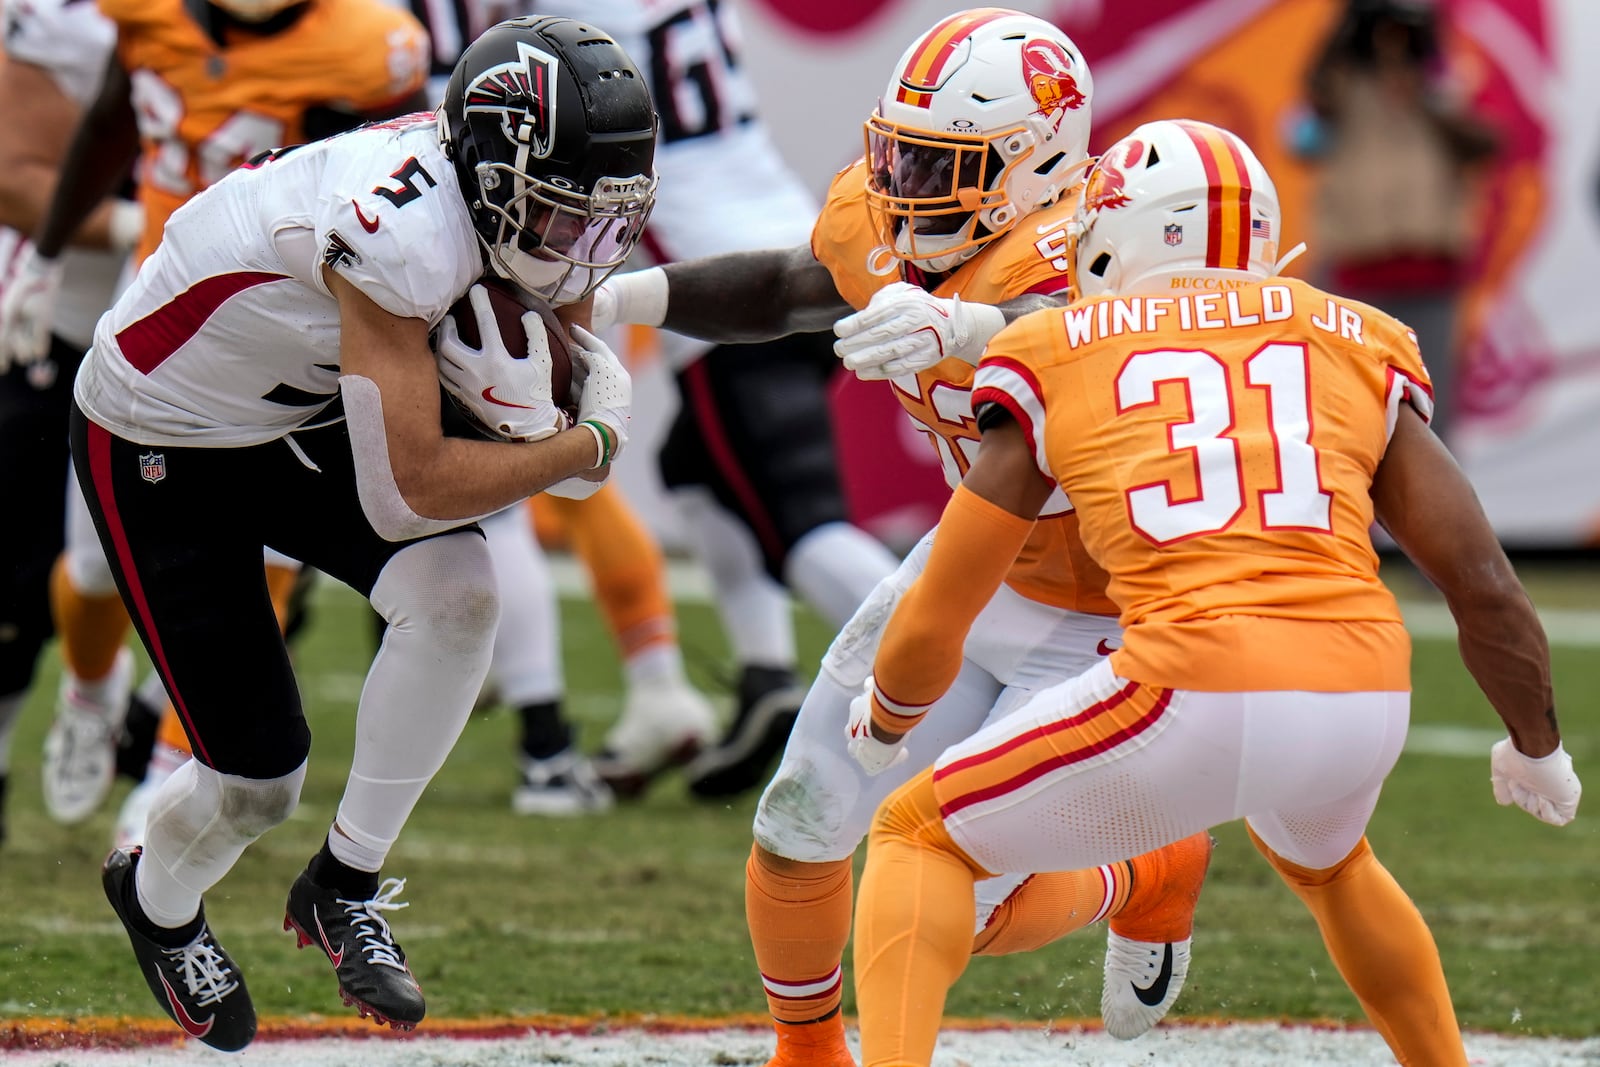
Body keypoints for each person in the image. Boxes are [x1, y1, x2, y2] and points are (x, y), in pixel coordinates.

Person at [845, 118, 1582, 1067]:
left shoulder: (1056, 344)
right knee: (1333, 864)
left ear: (1115, 233)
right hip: (1364, 691)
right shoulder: (1355, 336)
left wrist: (890, 711)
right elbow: (1483, 584)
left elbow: (948, 593)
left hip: (1188, 682)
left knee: (915, 834)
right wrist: (1539, 747)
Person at [595, 12, 1210, 1065]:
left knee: (952, 903)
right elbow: (793, 286)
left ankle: (1148, 868)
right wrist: (620, 295)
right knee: (797, 819)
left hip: (1102, 607)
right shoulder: (891, 218)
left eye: (944, 164)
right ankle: (807, 1049)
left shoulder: (1112, 231)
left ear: (1039, 163)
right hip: (973, 563)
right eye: (900, 151)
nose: (906, 184)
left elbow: (1110, 338)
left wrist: (974, 330)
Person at [54, 15, 648, 1050]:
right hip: (161, 431)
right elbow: (406, 491)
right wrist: (581, 445)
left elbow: (555, 294)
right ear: (501, 177)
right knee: (255, 780)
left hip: (285, 406)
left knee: (461, 594)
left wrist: (564, 372)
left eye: (601, 223)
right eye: (561, 219)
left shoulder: (495, 191)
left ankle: (345, 881)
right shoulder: (397, 234)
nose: (578, 249)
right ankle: (154, 900)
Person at [0, 0, 433, 831]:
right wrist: (48, 252)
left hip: (284, 324)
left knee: (264, 562)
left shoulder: (367, 43)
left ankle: (168, 768)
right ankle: (89, 694)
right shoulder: (148, 14)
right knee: (94, 569)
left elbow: (407, 193)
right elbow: (111, 124)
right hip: (155, 319)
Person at [0, 0, 138, 844]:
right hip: (69, 325)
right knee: (19, 578)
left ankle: (164, 780)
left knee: (241, 581)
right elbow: (18, 174)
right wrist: (146, 228)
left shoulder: (335, 31)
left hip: (224, 340)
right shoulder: (66, 17)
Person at [1297, 0, 1499, 443]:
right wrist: (1347, 32)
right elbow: (1305, 128)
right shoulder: (1342, 87)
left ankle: (1432, 507)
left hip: (1429, 270)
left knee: (1430, 407)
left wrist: (1427, 76)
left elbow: (1485, 143)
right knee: (1345, 402)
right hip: (1356, 268)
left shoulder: (1441, 85)